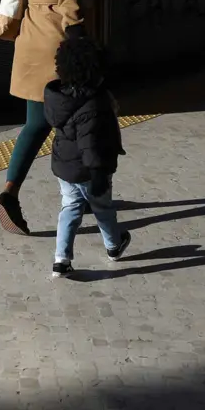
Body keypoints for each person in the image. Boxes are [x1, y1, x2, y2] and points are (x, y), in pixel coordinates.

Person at [0, 0, 93, 235]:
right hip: (58, 41)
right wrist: (80, 46)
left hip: (30, 35)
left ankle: (10, 192)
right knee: (78, 121)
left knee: (37, 122)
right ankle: (83, 193)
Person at [43, 35, 129, 277]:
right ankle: (114, 246)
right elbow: (91, 144)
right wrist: (98, 174)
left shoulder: (59, 97)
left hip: (64, 166)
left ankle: (61, 259)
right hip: (90, 170)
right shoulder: (94, 105)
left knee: (70, 208)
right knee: (102, 207)